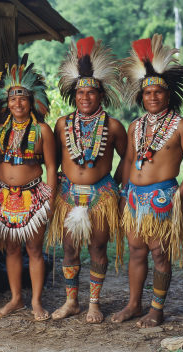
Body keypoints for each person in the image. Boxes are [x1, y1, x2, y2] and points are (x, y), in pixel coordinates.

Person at [112, 34, 183, 328]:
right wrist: (122, 191)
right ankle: (134, 305)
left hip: (162, 196)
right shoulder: (135, 126)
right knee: (136, 251)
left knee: (159, 253)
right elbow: (127, 160)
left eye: (158, 93)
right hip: (134, 196)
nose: (152, 97)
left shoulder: (181, 125)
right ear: (142, 96)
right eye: (147, 93)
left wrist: (182, 194)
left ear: (167, 95)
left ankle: (157, 310)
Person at [47, 37, 127, 323]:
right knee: (69, 248)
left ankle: (94, 303)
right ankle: (72, 302)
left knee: (97, 247)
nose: (85, 98)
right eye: (81, 93)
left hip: (101, 195)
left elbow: (127, 160)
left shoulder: (114, 126)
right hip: (68, 194)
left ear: (100, 95)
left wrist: (114, 187)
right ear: (74, 94)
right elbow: (53, 160)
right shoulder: (61, 124)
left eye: (91, 94)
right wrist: (53, 185)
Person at [0, 54, 57, 321]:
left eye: (23, 98)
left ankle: (36, 301)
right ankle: (16, 299)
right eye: (13, 99)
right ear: (7, 103)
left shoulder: (42, 130)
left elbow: (51, 167)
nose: (18, 103)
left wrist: (49, 200)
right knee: (12, 249)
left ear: (31, 102)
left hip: (34, 195)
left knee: (34, 249)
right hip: (4, 196)